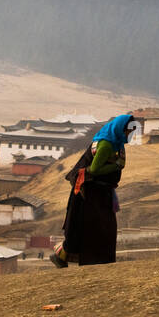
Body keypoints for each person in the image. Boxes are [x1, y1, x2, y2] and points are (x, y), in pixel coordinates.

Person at [52, 114, 136, 266]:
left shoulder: (116, 143)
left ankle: (68, 257)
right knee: (98, 228)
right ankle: (93, 261)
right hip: (91, 193)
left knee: (101, 227)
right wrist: (116, 166)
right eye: (128, 131)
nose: (130, 135)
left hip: (100, 193)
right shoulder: (106, 145)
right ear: (120, 129)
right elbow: (95, 169)